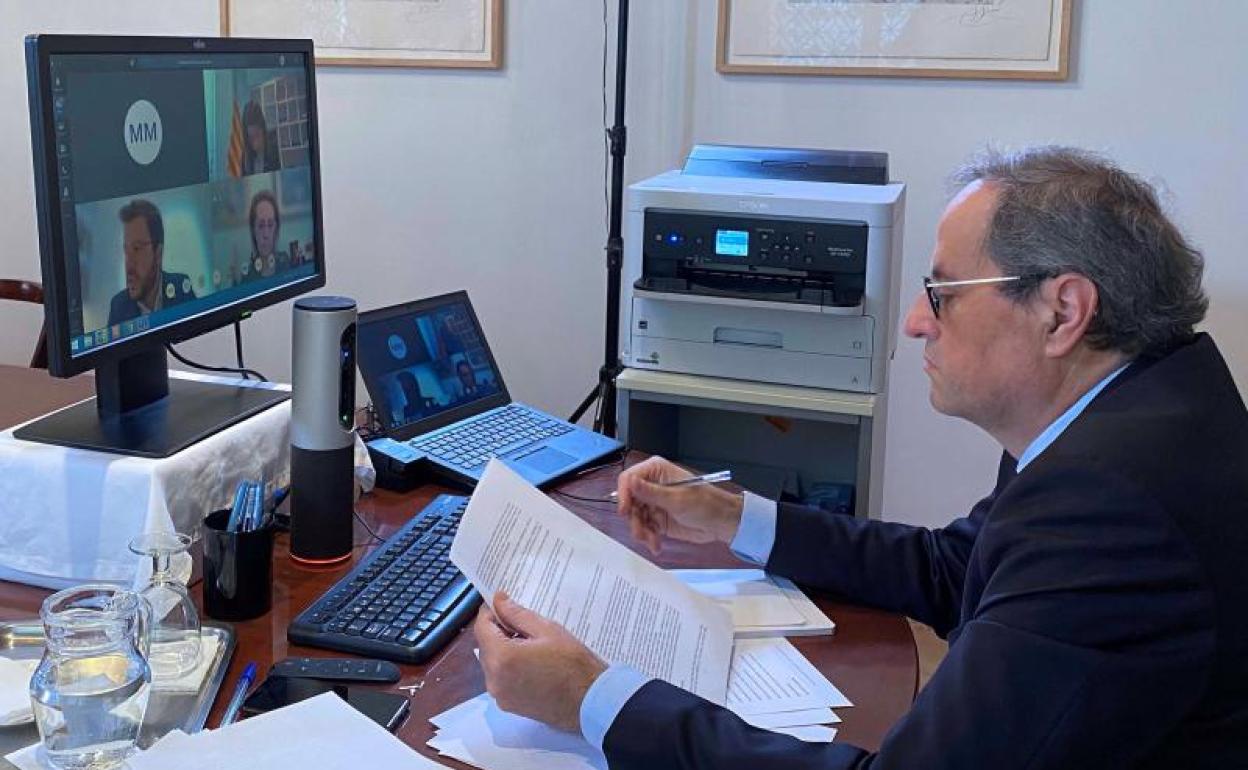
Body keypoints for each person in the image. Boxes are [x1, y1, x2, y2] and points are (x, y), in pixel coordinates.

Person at [473, 146, 1248, 768]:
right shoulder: (1133, 416)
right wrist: (731, 515)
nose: (914, 322)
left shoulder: (1110, 502)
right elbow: (955, 568)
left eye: (943, 292)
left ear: (1063, 311)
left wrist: (592, 699)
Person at [108, 199, 196, 325]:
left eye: (137, 249)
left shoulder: (180, 287)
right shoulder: (118, 307)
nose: (129, 264)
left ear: (158, 253)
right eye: (126, 251)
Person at [240, 190, 290, 281]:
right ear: (253, 230)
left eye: (270, 225)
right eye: (260, 225)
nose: (266, 234)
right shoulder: (247, 278)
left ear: (276, 229)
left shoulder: (286, 263)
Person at [241, 99, 280, 175]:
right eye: (251, 137)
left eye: (257, 135)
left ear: (263, 130)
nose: (255, 142)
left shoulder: (275, 150)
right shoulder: (245, 156)